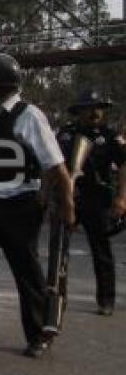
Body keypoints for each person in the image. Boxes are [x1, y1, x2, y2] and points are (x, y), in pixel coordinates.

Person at [0, 48, 75, 363]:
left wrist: (68, 206)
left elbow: (57, 167)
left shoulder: (29, 115)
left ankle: (38, 335)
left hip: (20, 206)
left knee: (27, 274)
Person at [57, 90, 126, 316]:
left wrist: (122, 198)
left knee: (101, 252)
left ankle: (105, 300)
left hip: (98, 201)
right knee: (58, 250)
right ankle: (56, 298)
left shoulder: (109, 136)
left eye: (99, 107)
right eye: (90, 107)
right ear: (79, 111)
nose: (95, 111)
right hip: (69, 198)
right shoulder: (66, 134)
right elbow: (52, 164)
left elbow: (124, 166)